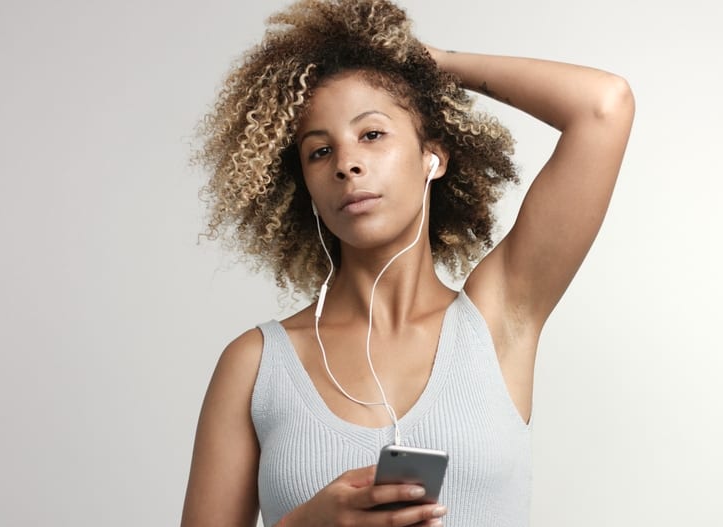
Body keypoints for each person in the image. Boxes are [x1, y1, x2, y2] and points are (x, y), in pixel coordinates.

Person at [181, 0, 634, 525]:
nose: (347, 163)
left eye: (372, 134)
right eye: (319, 151)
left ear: (432, 157)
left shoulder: (497, 320)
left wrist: (429, 66)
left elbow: (604, 105)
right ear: (303, 183)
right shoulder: (256, 365)